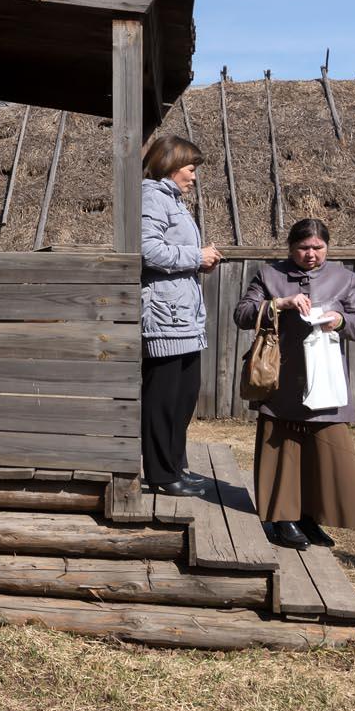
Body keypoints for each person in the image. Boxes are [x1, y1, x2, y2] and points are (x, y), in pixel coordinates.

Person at [233, 218, 355, 549]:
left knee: (326, 452)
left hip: (327, 380)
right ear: (291, 247)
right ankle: (283, 518)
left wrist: (341, 320)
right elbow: (242, 314)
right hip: (281, 380)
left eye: (318, 247)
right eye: (303, 247)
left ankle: (311, 517)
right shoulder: (270, 275)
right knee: (283, 450)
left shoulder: (344, 278)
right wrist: (279, 304)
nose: (311, 254)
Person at [140, 135, 222, 497]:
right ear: (170, 166)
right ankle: (160, 473)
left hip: (183, 315)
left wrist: (199, 262)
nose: (194, 177)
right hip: (164, 316)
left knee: (184, 395)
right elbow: (147, 251)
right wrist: (195, 257)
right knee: (163, 398)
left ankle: (175, 466)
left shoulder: (171, 201)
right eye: (190, 169)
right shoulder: (152, 197)